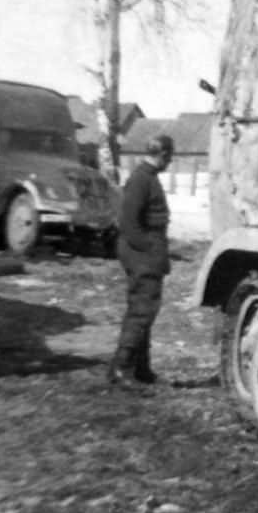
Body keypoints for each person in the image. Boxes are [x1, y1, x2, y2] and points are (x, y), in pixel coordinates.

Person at [109, 133, 173, 386]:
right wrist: (149, 251)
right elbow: (128, 223)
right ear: (165, 155)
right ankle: (123, 368)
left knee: (145, 310)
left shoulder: (146, 178)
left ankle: (140, 369)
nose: (171, 162)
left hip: (146, 255)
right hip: (142, 256)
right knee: (141, 311)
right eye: (170, 157)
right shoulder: (141, 180)